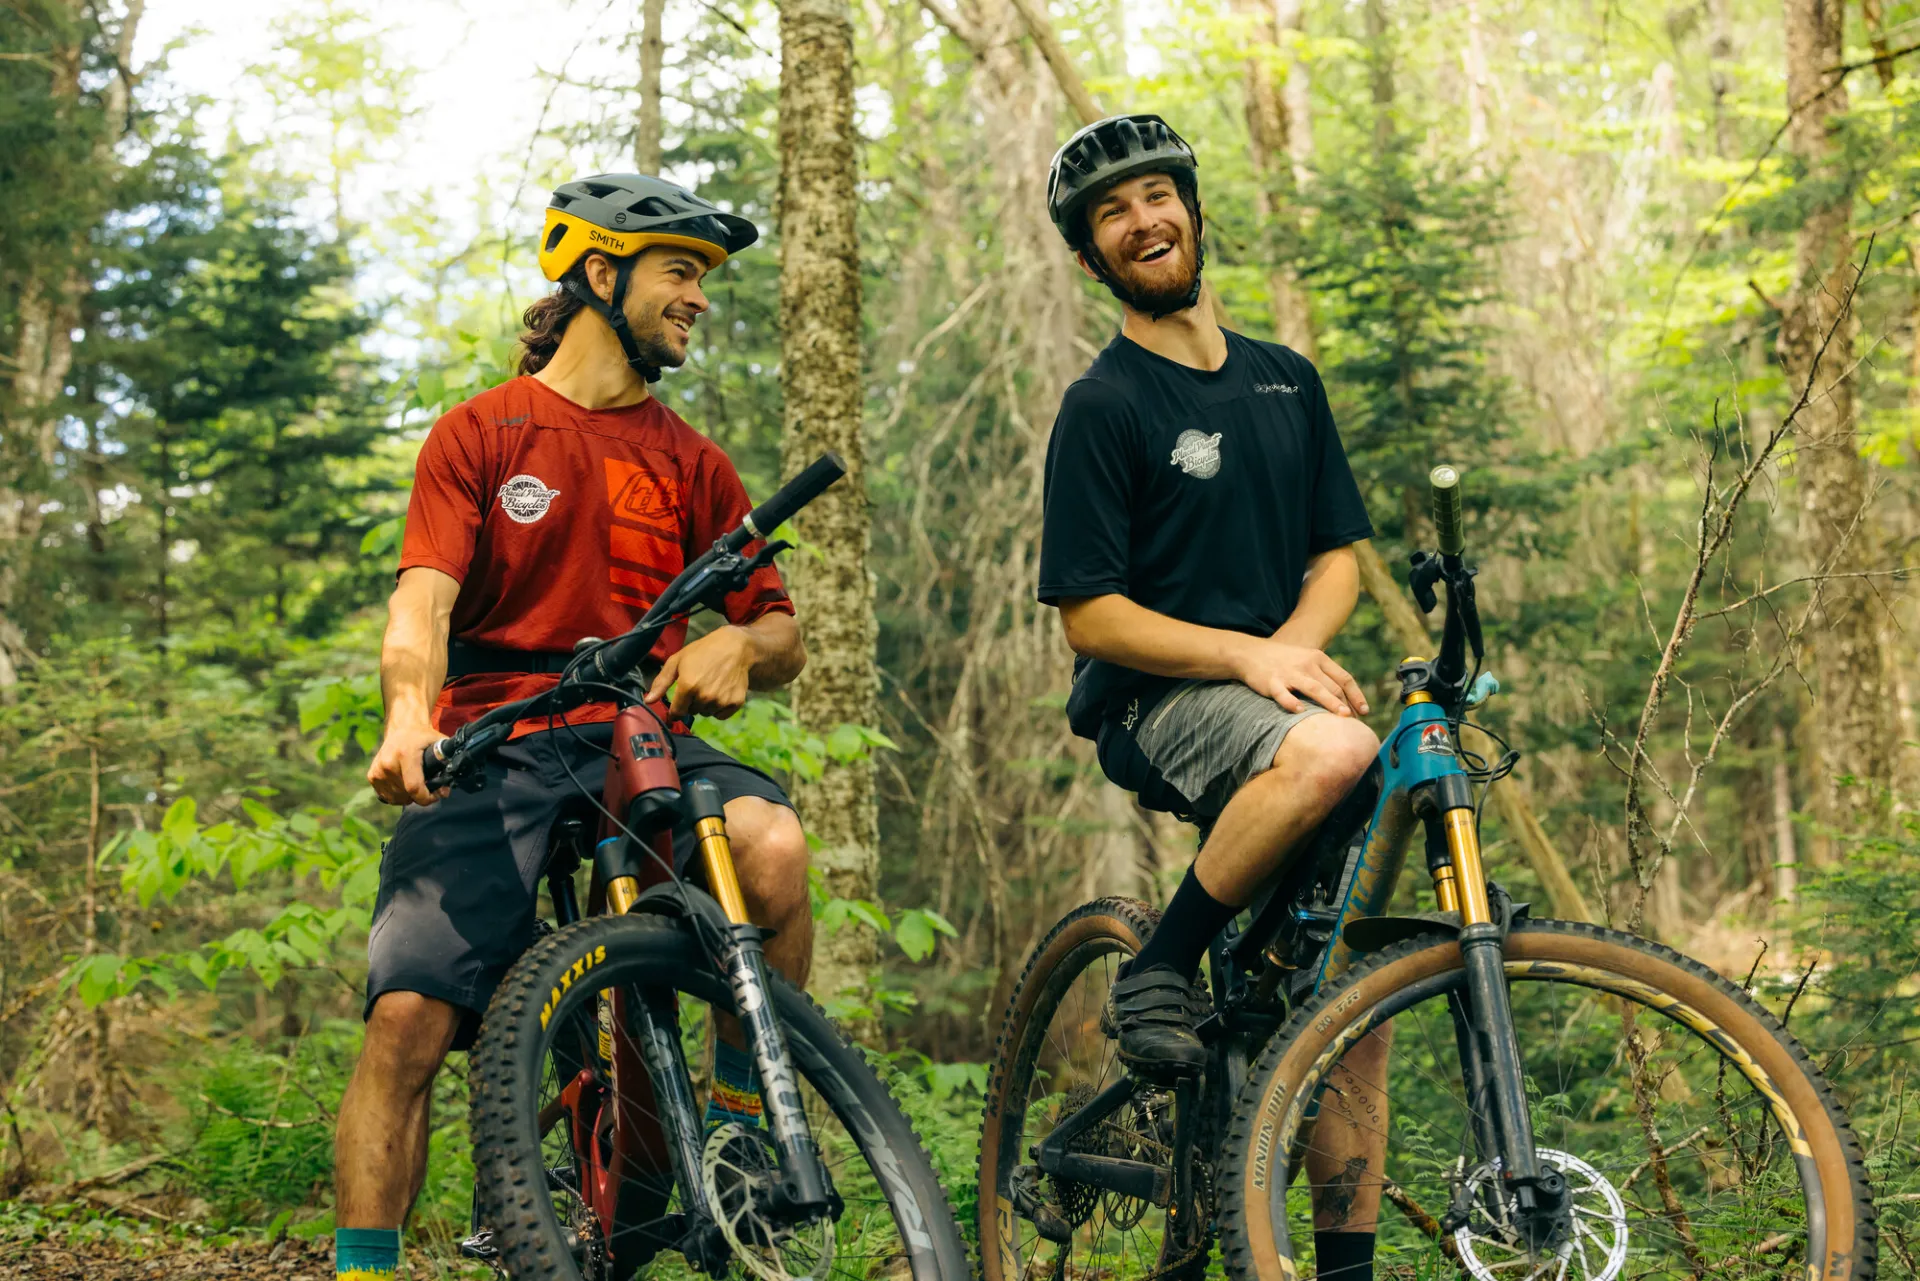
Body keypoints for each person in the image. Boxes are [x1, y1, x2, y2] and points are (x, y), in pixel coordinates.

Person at [331, 175, 809, 1281]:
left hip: (634, 733)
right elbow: (423, 604)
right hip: (493, 737)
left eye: (704, 278)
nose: (699, 298)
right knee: (406, 1020)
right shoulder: (482, 434)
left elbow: (778, 629)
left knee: (773, 851)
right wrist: (408, 719)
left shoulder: (691, 460)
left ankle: (740, 1132)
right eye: (680, 272)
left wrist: (739, 645)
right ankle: (361, 1269)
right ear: (602, 273)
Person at [1037, 114, 1390, 1279]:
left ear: (1192, 210)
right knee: (1336, 755)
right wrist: (1247, 660)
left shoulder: (1288, 380)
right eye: (1112, 212)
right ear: (1092, 259)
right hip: (1154, 705)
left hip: (1274, 691)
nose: (1144, 220)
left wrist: (1290, 643)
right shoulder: (1106, 404)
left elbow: (1337, 550)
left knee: (1350, 1001)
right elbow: (1091, 614)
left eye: (1157, 196)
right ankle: (1161, 965)